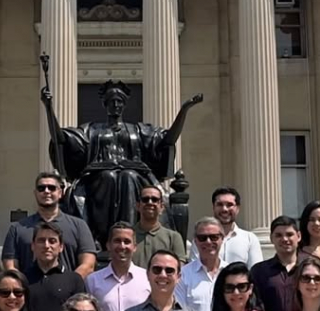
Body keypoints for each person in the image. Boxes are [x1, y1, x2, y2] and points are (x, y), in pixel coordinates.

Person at [41, 77, 203, 250]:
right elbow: (61, 139)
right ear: (105, 104)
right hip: (97, 179)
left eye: (119, 101)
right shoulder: (91, 129)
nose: (116, 105)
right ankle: (103, 237)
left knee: (127, 176)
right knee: (109, 177)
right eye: (112, 101)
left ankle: (130, 235)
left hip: (136, 178)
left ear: (124, 104)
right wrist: (49, 108)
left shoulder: (138, 130)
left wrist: (184, 110)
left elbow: (167, 140)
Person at [2, 172, 97, 279]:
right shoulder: (17, 228)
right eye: (41, 188)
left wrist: (69, 284)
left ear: (60, 193)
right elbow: (10, 266)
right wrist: (24, 287)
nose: (46, 191)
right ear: (35, 193)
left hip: (69, 294)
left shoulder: (79, 226)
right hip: (30, 292)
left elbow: (88, 264)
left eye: (51, 188)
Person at [26, 221, 86, 311]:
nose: (46, 245)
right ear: (33, 246)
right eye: (41, 241)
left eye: (52, 241)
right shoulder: (22, 279)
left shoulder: (74, 280)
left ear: (61, 247)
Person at [132, 186, 188, 269]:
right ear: (138, 206)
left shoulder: (173, 237)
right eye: (145, 199)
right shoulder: (128, 236)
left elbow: (178, 270)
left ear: (161, 207)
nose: (150, 202)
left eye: (154, 199)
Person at [210, 187, 263, 268]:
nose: (224, 209)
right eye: (220, 204)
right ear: (213, 207)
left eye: (229, 205)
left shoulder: (250, 239)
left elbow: (255, 273)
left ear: (237, 208)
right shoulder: (202, 239)